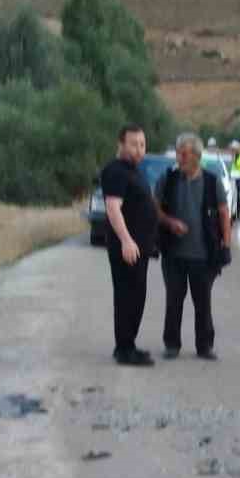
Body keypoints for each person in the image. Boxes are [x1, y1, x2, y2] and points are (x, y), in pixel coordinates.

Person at [157, 132, 231, 360]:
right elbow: (155, 208)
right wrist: (170, 222)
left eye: (184, 153)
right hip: (173, 254)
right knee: (173, 301)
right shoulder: (167, 180)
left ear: (197, 156)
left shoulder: (212, 181)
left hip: (203, 255)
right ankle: (172, 344)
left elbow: (223, 213)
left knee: (203, 303)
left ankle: (204, 346)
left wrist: (225, 245)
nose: (179, 157)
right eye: (178, 152)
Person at [101, 123, 159, 366]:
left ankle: (127, 345)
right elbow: (113, 208)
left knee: (136, 296)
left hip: (139, 247)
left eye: (142, 144)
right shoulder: (116, 171)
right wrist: (126, 240)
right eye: (134, 144)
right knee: (128, 297)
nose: (139, 149)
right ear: (121, 144)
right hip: (127, 248)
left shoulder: (133, 170)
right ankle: (125, 349)